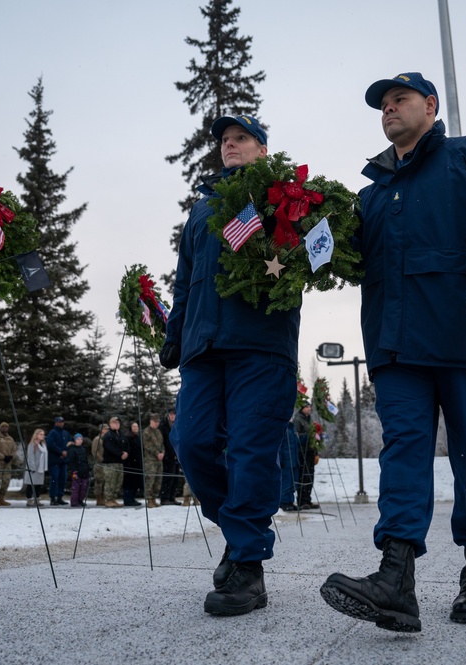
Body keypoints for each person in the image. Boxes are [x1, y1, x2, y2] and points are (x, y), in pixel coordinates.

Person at [319, 72, 466, 632]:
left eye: (400, 100)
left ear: (430, 106)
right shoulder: (369, 196)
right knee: (404, 453)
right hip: (397, 349)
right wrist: (295, 230)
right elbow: (335, 259)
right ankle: (396, 579)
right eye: (383, 105)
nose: (389, 110)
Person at [160, 114, 300, 617]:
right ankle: (242, 533)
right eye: (224, 140)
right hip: (203, 348)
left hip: (261, 345)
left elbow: (306, 257)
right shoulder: (201, 211)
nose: (230, 145)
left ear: (263, 148)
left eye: (241, 138)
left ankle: (248, 567)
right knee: (191, 443)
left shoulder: (281, 196)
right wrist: (175, 335)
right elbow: (183, 281)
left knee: (249, 452)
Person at [293, 403, 319, 510]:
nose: (309, 409)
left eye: (309, 407)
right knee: (303, 476)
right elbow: (296, 436)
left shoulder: (309, 420)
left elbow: (314, 436)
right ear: (302, 408)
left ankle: (307, 498)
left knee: (309, 475)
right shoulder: (298, 420)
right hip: (302, 451)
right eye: (306, 407)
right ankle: (302, 500)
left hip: (310, 451)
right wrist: (307, 436)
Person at [100, 417, 128, 508]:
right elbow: (110, 448)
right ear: (110, 424)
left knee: (118, 482)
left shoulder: (121, 435)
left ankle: (113, 499)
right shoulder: (108, 435)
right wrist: (120, 454)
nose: (117, 424)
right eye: (114, 422)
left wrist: (126, 453)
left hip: (119, 462)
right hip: (110, 462)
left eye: (118, 422)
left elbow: (126, 445)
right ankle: (108, 499)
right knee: (110, 481)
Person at [45, 416, 70, 506]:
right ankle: (53, 498)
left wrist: (67, 451)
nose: (61, 423)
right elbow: (51, 444)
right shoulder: (52, 433)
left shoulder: (65, 433)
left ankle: (60, 497)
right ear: (56, 423)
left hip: (63, 461)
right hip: (54, 460)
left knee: (62, 479)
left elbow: (69, 443)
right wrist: (60, 451)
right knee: (54, 478)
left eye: (62, 422)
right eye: (59, 422)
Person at [142, 415, 165, 508]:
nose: (157, 423)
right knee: (150, 480)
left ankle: (154, 498)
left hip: (159, 460)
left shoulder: (158, 432)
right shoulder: (146, 432)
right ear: (151, 421)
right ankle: (149, 500)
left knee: (158, 480)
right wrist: (157, 453)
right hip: (150, 460)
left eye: (158, 422)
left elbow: (162, 444)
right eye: (155, 421)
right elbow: (147, 445)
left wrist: (162, 453)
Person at [158, 409, 180, 506]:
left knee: (175, 478)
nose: (173, 416)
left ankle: (172, 497)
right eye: (171, 414)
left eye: (174, 414)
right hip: (167, 456)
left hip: (176, 455)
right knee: (167, 478)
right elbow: (162, 441)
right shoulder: (163, 426)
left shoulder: (177, 425)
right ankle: (165, 498)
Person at [23, 428, 48, 507]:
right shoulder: (32, 445)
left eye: (43, 434)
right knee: (30, 484)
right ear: (36, 435)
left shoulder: (43, 445)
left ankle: (37, 499)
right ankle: (29, 500)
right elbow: (30, 457)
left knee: (38, 485)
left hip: (40, 468)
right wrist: (32, 468)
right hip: (33, 468)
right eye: (40, 434)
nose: (42, 436)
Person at [66, 432, 92, 507]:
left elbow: (85, 460)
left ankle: (80, 500)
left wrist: (88, 468)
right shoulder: (72, 449)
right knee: (76, 488)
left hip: (84, 471)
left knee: (83, 487)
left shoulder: (83, 449)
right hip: (76, 471)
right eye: (78, 439)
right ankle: (74, 502)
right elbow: (71, 462)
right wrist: (74, 471)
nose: (80, 440)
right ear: (75, 440)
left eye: (81, 439)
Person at [122, 421, 144, 507]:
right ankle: (128, 499)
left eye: (137, 426)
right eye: (134, 426)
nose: (135, 428)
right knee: (129, 483)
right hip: (130, 463)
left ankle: (132, 498)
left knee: (135, 482)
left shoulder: (138, 437)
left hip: (137, 462)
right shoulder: (128, 437)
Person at [91, 423, 109, 506]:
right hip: (99, 464)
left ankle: (103, 498)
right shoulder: (97, 439)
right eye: (106, 429)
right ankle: (99, 499)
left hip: (105, 463)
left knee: (104, 481)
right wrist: (101, 459)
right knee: (99, 481)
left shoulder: (106, 439)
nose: (107, 430)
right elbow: (94, 451)